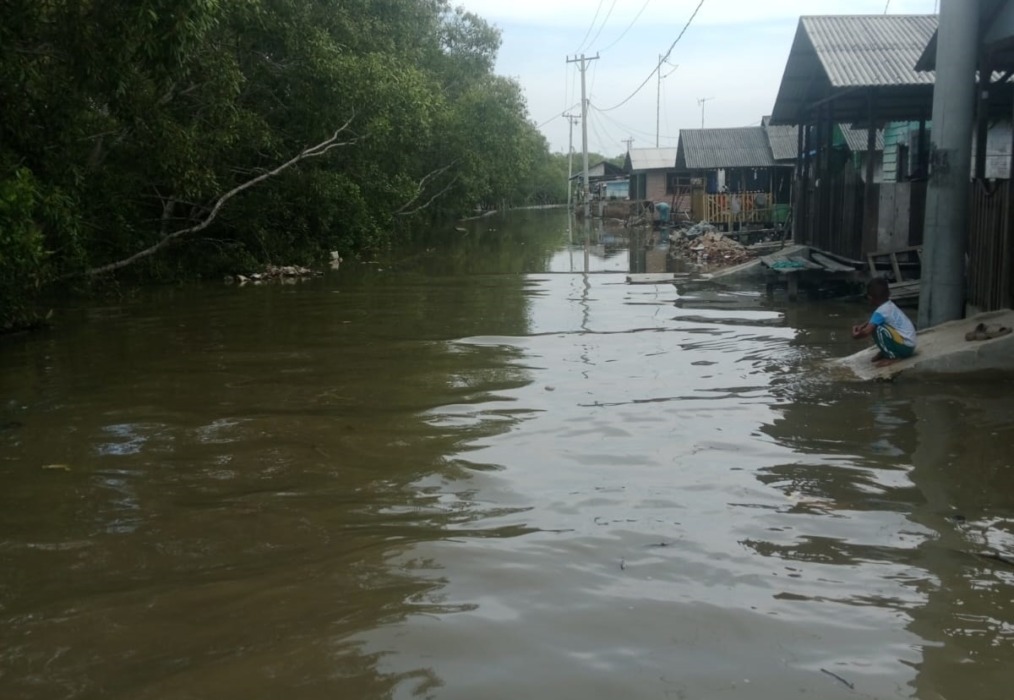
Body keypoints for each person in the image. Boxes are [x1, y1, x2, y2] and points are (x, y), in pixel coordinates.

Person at [851, 277, 917, 366]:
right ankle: (885, 351)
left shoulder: (880, 312)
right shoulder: (889, 305)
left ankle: (892, 356)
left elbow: (867, 332)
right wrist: (862, 326)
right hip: (910, 345)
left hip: (905, 348)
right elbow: (873, 320)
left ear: (870, 298)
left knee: (878, 329)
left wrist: (855, 335)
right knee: (878, 325)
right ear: (888, 294)